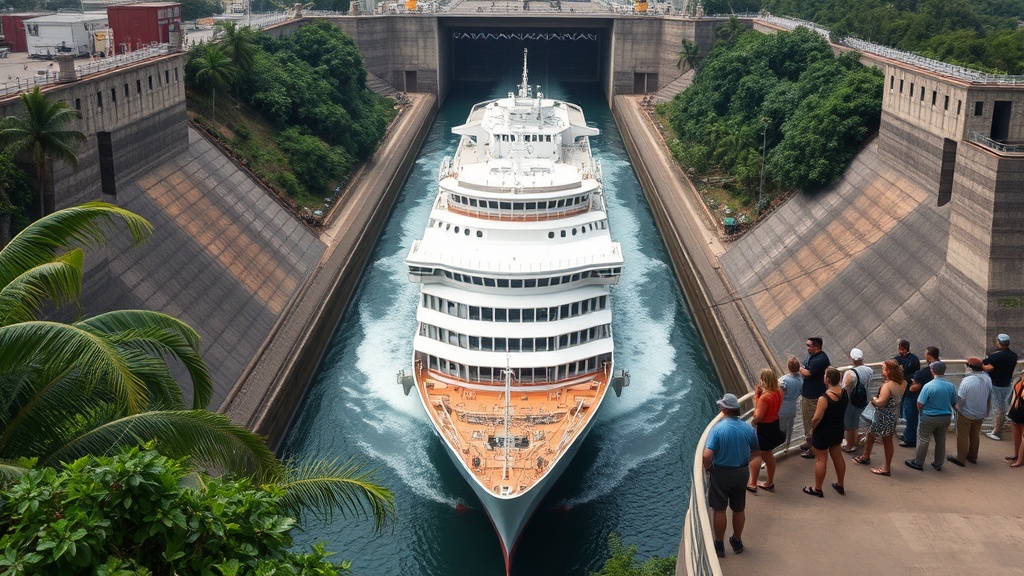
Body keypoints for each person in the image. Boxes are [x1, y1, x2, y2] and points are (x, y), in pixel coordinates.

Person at [703, 393, 758, 557]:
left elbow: (707, 455)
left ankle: (719, 545)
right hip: (741, 472)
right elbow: (756, 451)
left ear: (724, 409)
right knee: (739, 509)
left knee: (719, 509)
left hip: (721, 473)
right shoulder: (748, 428)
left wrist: (708, 468)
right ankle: (737, 541)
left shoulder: (717, 429)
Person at [853, 359, 905, 476]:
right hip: (893, 415)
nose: (882, 371)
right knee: (873, 435)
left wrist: (874, 399)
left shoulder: (887, 386)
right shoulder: (902, 383)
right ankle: (866, 456)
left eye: (883, 369)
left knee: (885, 440)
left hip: (883, 416)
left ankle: (885, 468)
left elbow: (881, 402)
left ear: (889, 371)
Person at [905, 361, 957, 471]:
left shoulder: (928, 386)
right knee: (941, 439)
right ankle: (938, 463)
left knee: (923, 439)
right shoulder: (950, 386)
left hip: (929, 417)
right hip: (945, 417)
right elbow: (954, 402)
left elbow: (920, 403)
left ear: (932, 371)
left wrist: (922, 413)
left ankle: (918, 462)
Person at [804, 367, 847, 497]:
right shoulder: (844, 393)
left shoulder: (824, 398)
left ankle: (817, 489)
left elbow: (817, 418)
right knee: (838, 457)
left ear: (827, 380)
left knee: (821, 460)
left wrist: (812, 427)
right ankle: (840, 484)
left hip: (823, 432)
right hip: (838, 430)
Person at [948, 357, 991, 466]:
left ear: (970, 368)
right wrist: (986, 411)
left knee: (962, 436)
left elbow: (961, 399)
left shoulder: (967, 381)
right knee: (975, 434)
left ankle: (960, 458)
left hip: (966, 413)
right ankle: (972, 456)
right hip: (981, 413)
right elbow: (989, 396)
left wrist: (956, 408)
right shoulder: (987, 379)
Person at [749, 369, 784, 492]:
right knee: (767, 454)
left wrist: (756, 398)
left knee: (764, 455)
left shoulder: (765, 397)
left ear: (764, 380)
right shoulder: (779, 391)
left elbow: (758, 416)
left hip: (765, 428)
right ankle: (768, 481)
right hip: (775, 423)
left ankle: (763, 483)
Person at [901, 346, 939, 448]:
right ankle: (910, 434)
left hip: (916, 397)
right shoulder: (940, 368)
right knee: (916, 418)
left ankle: (910, 438)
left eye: (926, 353)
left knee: (911, 417)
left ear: (930, 356)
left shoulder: (927, 371)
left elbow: (914, 388)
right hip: (928, 398)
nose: (924, 355)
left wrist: (914, 380)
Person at [798, 337, 830, 458]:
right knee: (808, 422)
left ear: (816, 347)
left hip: (813, 397)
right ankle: (809, 442)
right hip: (809, 394)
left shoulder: (820, 360)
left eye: (809, 345)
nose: (807, 348)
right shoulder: (813, 356)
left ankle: (812, 450)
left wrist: (799, 368)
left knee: (811, 422)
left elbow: (808, 373)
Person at [984, 333, 1018, 440]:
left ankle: (996, 431)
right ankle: (997, 429)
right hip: (1007, 384)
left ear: (999, 342)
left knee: (998, 408)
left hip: (996, 385)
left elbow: (985, 364)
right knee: (1002, 407)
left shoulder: (995, 356)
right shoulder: (1014, 356)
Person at [841, 348, 873, 453]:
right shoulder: (869, 370)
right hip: (864, 399)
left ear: (852, 359)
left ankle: (850, 445)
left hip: (852, 402)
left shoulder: (850, 373)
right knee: (857, 423)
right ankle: (857, 442)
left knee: (849, 424)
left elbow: (844, 387)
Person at [894, 340, 921, 445]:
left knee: (907, 413)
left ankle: (909, 437)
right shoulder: (914, 360)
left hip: (904, 390)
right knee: (909, 413)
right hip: (910, 390)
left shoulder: (897, 360)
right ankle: (908, 434)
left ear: (902, 348)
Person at [778, 356, 802, 449]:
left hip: (783, 409)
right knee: (790, 428)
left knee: (781, 429)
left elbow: (779, 391)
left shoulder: (784, 380)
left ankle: (780, 447)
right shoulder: (800, 379)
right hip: (793, 407)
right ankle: (787, 445)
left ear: (788, 366)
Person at [1007, 376, 1024, 467]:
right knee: (1017, 434)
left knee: (1020, 435)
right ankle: (1018, 457)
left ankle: (1019, 458)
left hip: (1019, 410)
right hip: (1017, 410)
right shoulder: (1018, 380)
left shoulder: (1019, 380)